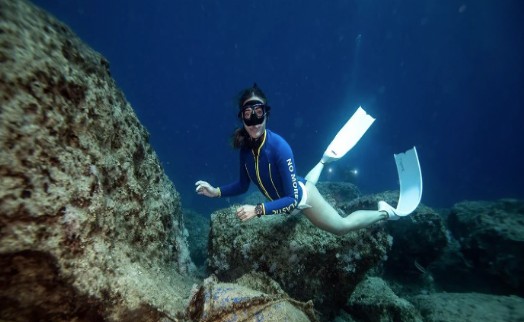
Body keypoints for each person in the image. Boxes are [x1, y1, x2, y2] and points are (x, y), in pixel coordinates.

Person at [195, 83, 398, 236]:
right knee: (302, 180)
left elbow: (292, 200)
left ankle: (385, 213)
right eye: (249, 114)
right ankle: (322, 162)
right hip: (289, 192)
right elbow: (242, 184)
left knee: (341, 227)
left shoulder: (280, 148)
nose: (254, 121)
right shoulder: (246, 150)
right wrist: (216, 192)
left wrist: (257, 210)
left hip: (302, 198)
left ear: (266, 114)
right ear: (242, 118)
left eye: (259, 112)